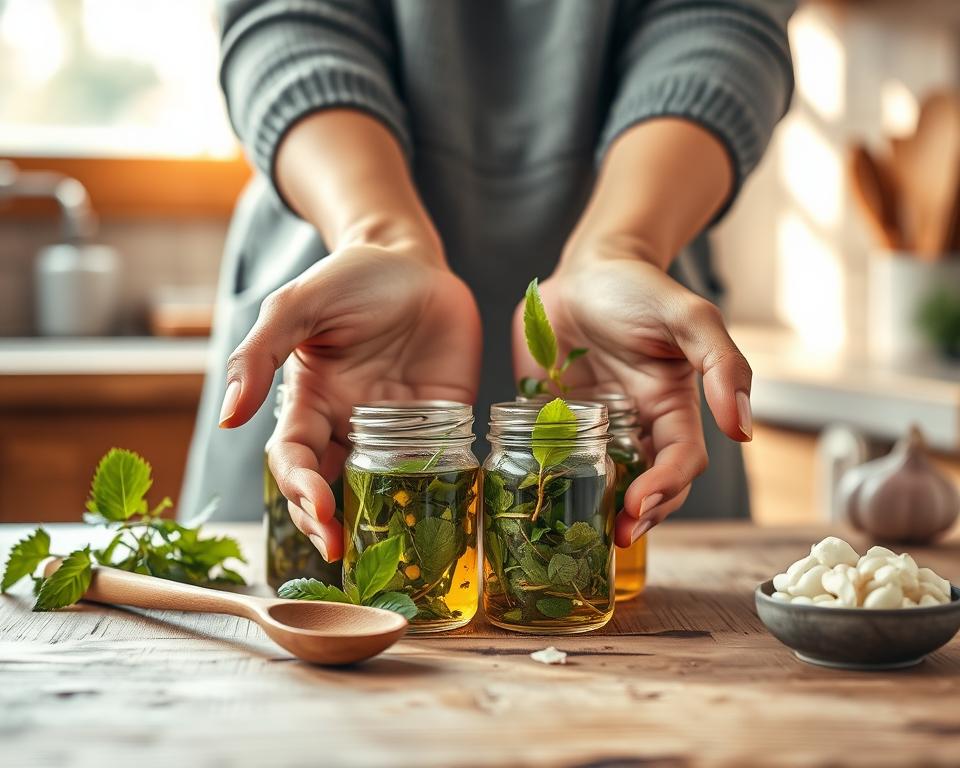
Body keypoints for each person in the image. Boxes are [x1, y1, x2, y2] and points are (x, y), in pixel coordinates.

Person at [182, 0, 795, 560]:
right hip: (340, 295)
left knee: (655, 629)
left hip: (629, 341)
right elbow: (287, 18)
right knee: (298, 577)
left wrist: (625, 243)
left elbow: (722, 21)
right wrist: (377, 232)